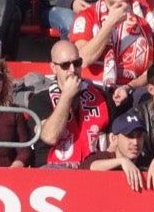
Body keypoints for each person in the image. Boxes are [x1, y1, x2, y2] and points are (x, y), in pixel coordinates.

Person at [28, 39, 113, 167]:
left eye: (77, 63)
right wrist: (67, 95)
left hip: (93, 170)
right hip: (52, 170)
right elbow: (50, 136)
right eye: (65, 65)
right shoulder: (39, 100)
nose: (72, 69)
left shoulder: (102, 98)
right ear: (53, 68)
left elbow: (116, 142)